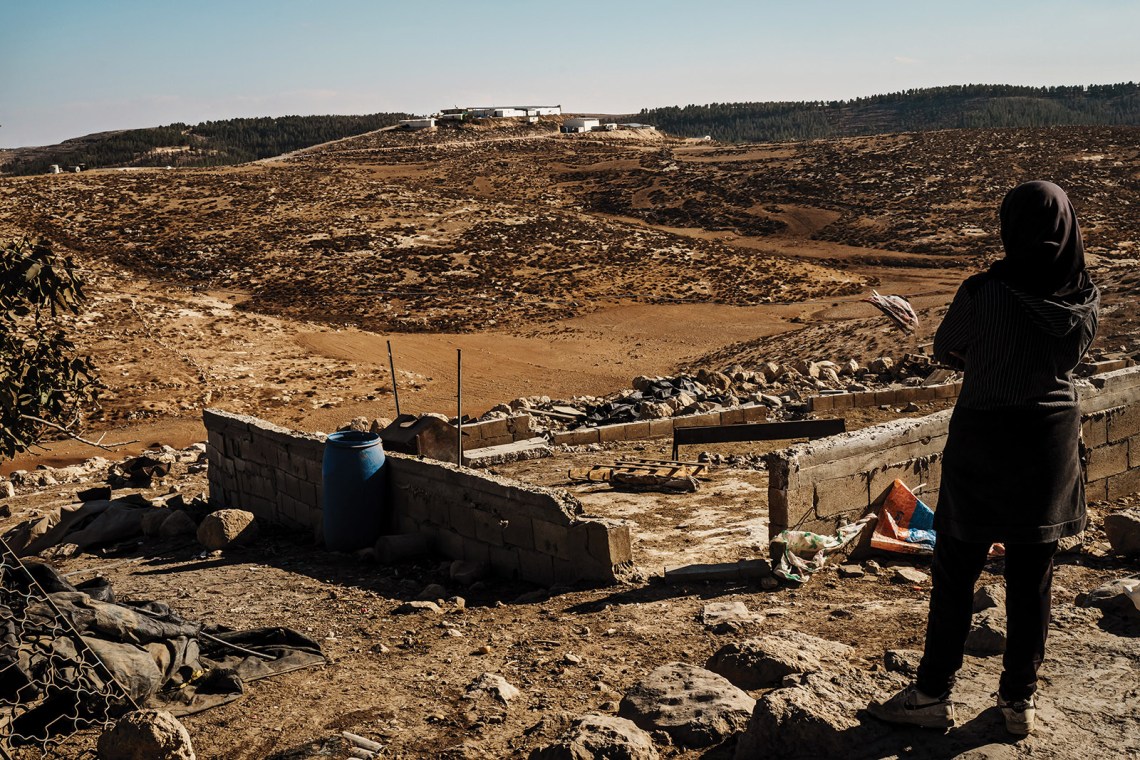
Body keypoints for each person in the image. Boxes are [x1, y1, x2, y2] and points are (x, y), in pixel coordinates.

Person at [868, 180, 1100, 736]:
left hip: (986, 434)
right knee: (1032, 577)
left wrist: (989, 354)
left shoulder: (983, 291)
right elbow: (1073, 354)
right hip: (1050, 441)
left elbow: (946, 348)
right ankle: (1018, 702)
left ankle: (931, 695)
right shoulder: (1083, 296)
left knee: (955, 570)